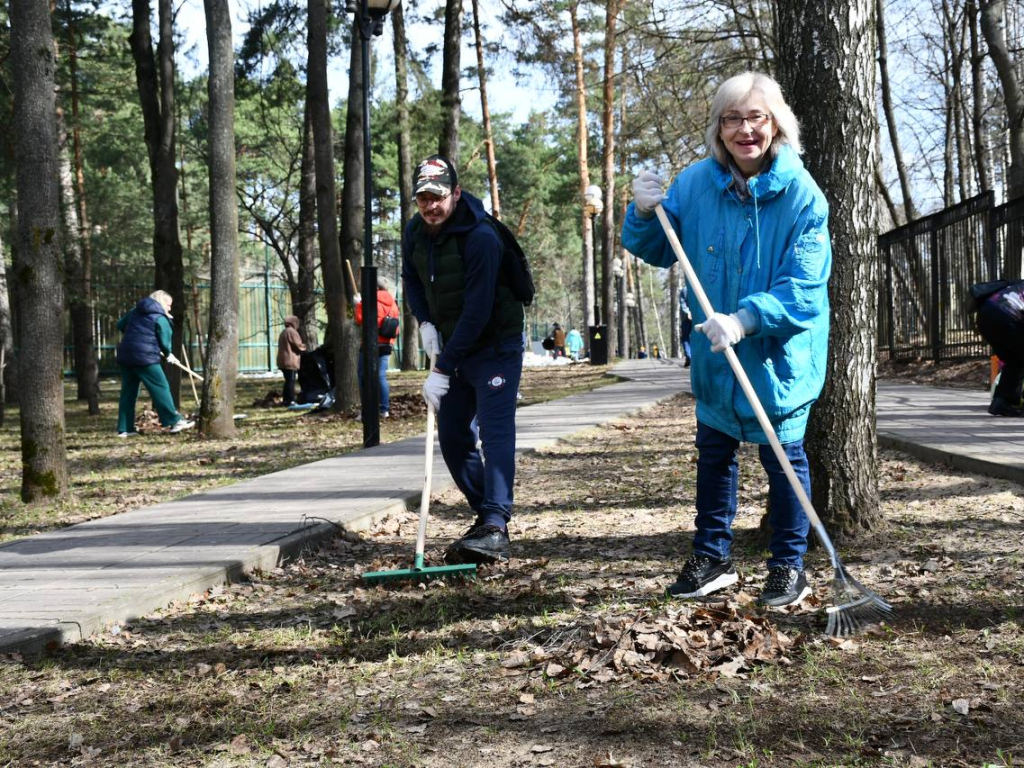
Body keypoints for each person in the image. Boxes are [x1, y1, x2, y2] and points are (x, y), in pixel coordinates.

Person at [622, 72, 832, 608]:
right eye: (732, 118)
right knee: (714, 452)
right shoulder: (695, 184)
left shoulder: (803, 196)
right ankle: (711, 557)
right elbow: (658, 247)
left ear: (776, 123)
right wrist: (644, 212)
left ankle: (789, 566)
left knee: (784, 458)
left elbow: (804, 290)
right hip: (717, 361)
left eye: (755, 117)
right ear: (718, 127)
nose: (745, 130)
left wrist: (745, 319)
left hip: (778, 358)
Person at [402, 154, 526, 565]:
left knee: (494, 432)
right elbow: (411, 279)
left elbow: (477, 310)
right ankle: (487, 515)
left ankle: (495, 523)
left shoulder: (481, 237)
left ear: (455, 193)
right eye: (423, 199)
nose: (430, 207)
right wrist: (424, 322)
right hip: (453, 344)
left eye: (437, 197)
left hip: (494, 344)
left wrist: (441, 369)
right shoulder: (416, 232)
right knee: (453, 436)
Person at [115, 290, 194, 437]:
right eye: (168, 305)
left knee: (128, 392)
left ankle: (124, 429)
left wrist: (136, 333)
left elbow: (120, 325)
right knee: (160, 387)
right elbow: (165, 339)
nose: (170, 309)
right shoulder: (160, 317)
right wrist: (168, 353)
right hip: (145, 357)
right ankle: (174, 421)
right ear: (161, 302)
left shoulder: (135, 311)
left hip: (126, 354)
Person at [354, 276, 400, 419]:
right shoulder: (393, 303)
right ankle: (384, 409)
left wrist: (358, 304)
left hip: (370, 343)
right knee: (380, 376)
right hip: (387, 343)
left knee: (362, 376)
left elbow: (360, 319)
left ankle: (366, 410)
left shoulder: (370, 300)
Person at [978, 280, 1024, 417]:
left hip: (985, 316)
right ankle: (1004, 401)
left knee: (1015, 360)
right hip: (1006, 316)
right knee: (1018, 358)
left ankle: (1001, 403)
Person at [277, 315, 307, 407]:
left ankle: (286, 400)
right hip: (290, 361)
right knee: (291, 381)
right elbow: (298, 345)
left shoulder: (284, 332)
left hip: (283, 360)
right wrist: (305, 347)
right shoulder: (292, 332)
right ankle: (290, 400)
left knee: (288, 381)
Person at [679, 284, 693, 367]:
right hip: (696, 317)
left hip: (685, 317)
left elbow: (682, 304)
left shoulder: (684, 290)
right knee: (695, 337)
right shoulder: (700, 286)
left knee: (685, 338)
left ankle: (689, 356)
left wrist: (687, 312)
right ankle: (690, 357)